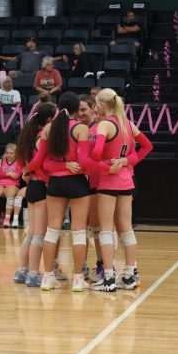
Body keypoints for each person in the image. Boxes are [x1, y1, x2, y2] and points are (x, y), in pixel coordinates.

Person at [32, 92, 111, 291]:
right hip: (77, 184)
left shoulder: (49, 128)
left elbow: (42, 162)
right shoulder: (81, 128)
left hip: (55, 184)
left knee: (52, 232)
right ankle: (77, 278)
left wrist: (27, 169)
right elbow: (84, 161)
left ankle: (47, 277)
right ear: (77, 109)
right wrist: (107, 168)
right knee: (78, 232)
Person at [91, 88, 153, 291]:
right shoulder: (128, 124)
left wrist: (105, 161)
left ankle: (108, 278)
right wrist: (126, 160)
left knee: (106, 230)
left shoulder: (105, 125)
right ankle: (129, 275)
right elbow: (147, 146)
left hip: (108, 182)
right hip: (126, 181)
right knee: (126, 229)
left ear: (101, 104)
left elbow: (97, 153)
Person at [14, 102, 57, 286]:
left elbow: (21, 160)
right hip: (41, 186)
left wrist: (25, 171)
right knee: (38, 235)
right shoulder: (42, 138)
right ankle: (33, 274)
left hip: (33, 186)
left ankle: (21, 271)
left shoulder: (29, 136)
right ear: (49, 119)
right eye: (55, 117)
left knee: (31, 234)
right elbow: (41, 163)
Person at [78, 94, 104, 281]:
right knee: (80, 228)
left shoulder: (99, 129)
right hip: (77, 184)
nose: (81, 114)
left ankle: (101, 264)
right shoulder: (76, 130)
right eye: (78, 110)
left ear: (93, 110)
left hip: (95, 183)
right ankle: (82, 266)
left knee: (95, 228)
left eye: (84, 110)